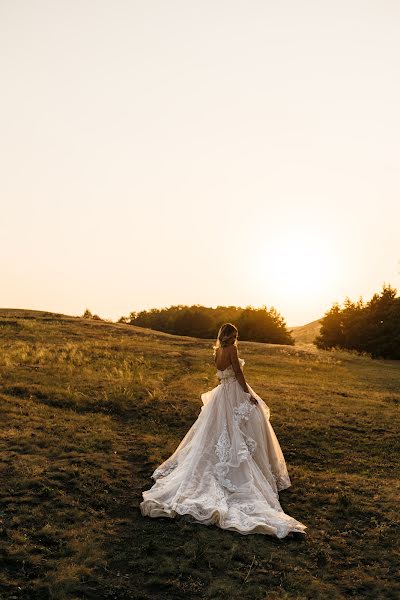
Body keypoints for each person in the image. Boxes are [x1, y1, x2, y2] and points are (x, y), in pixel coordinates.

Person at [139, 323, 307, 538]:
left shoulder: (217, 351)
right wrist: (248, 394)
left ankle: (224, 460)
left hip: (221, 393)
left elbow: (220, 373)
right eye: (234, 335)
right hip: (234, 391)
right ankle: (249, 469)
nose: (236, 339)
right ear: (228, 336)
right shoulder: (232, 350)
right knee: (243, 428)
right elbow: (237, 372)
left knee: (218, 431)